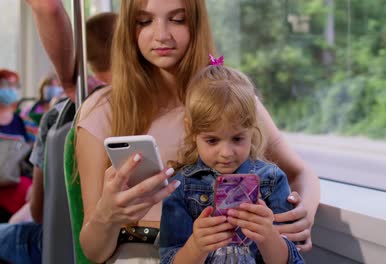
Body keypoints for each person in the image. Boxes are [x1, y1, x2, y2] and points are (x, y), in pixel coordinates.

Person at [31, 0, 319, 263]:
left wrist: (301, 214)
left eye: (177, 19)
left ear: (195, 23)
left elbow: (301, 173)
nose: (162, 35)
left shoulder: (228, 100)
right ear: (128, 30)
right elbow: (94, 251)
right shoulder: (101, 111)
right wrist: (108, 215)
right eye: (144, 22)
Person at [0, 4, 118, 263]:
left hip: (57, 243)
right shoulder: (144, 108)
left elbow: (40, 211)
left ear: (82, 54)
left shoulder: (59, 115)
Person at [159, 63, 305, 264]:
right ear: (192, 131)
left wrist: (268, 236)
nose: (226, 153)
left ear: (252, 129)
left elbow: (292, 261)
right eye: (212, 140)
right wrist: (196, 246)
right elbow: (169, 260)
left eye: (237, 139)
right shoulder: (180, 186)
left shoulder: (272, 180)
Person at [0, 69, 32, 223]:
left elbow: (37, 156)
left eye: (14, 85)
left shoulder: (26, 122)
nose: (10, 89)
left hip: (17, 182)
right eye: (5, 85)